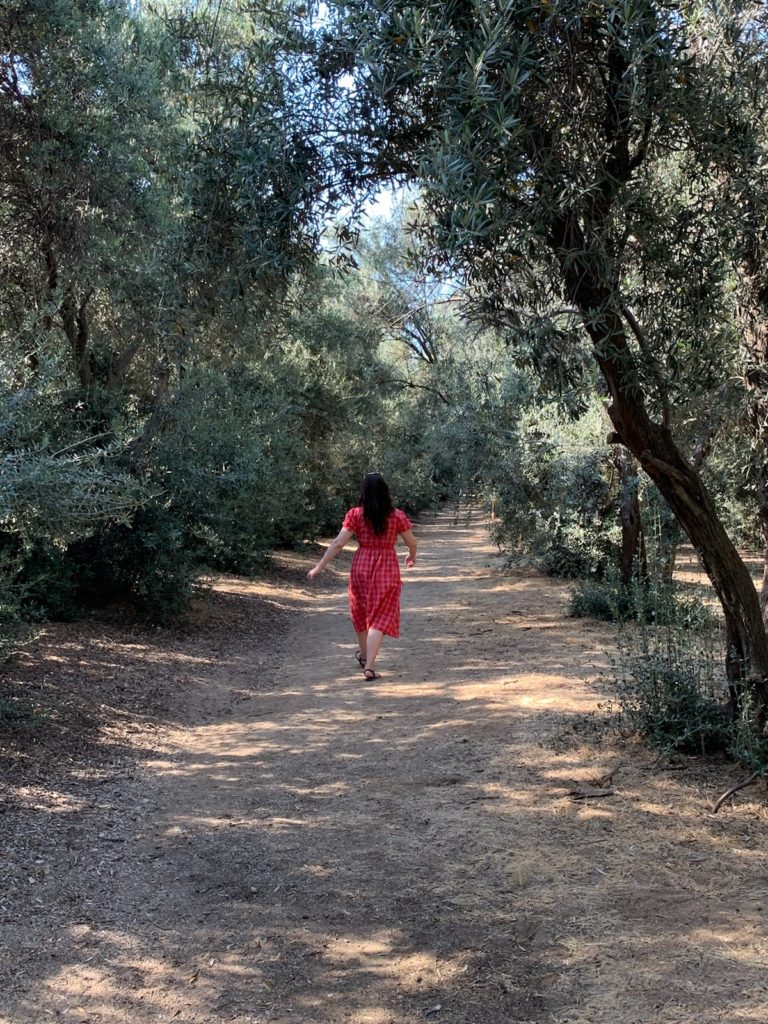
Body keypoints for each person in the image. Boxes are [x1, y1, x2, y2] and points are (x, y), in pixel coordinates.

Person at [307, 473, 417, 679]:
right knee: (380, 616)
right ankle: (370, 665)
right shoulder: (396, 516)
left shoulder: (356, 515)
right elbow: (412, 542)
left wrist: (319, 566)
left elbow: (338, 543)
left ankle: (366, 657)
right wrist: (411, 556)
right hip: (387, 567)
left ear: (364, 492)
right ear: (386, 491)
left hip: (361, 566)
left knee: (361, 612)